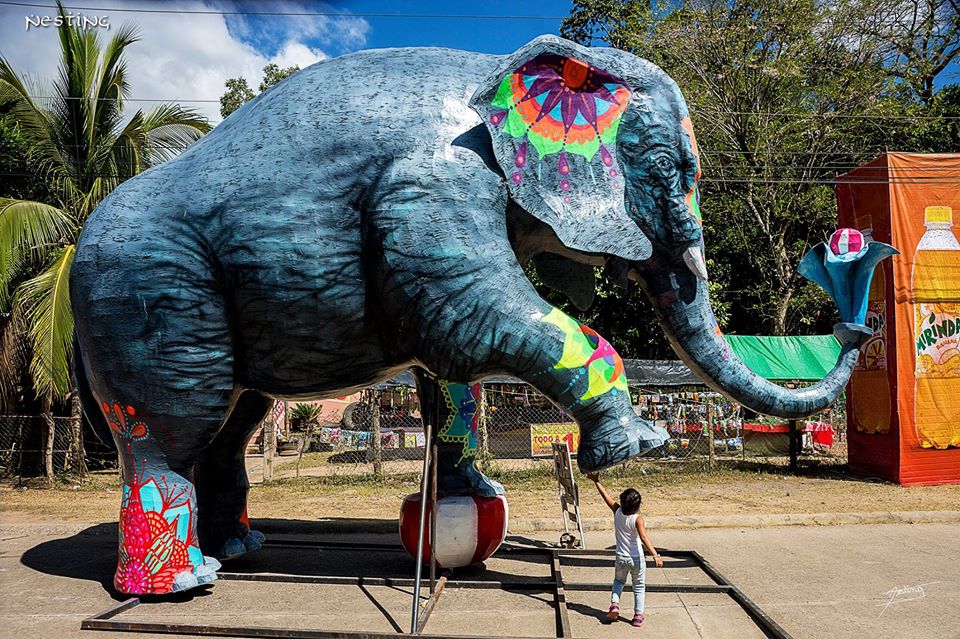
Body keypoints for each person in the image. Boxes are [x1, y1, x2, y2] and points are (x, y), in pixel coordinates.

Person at [587, 473, 662, 627]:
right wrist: (655, 555)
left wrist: (596, 481)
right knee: (639, 586)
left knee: (618, 581)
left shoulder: (617, 512)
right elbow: (644, 537)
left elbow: (605, 496)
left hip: (621, 557)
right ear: (639, 505)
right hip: (636, 558)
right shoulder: (638, 518)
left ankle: (615, 604)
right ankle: (637, 616)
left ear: (622, 502)